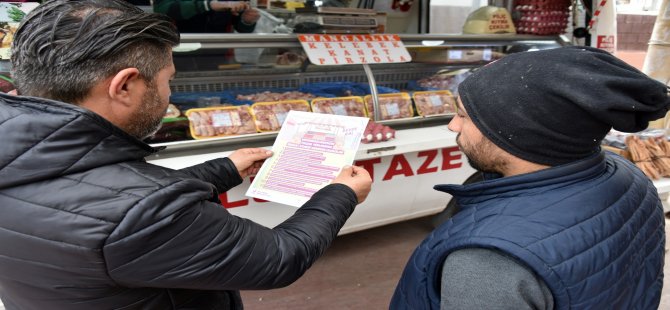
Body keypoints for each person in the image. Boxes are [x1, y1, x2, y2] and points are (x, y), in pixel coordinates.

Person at [0, 1, 371, 309]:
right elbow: (279, 258)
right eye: (167, 80)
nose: (169, 95)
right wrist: (339, 194)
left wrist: (223, 169)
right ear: (125, 86)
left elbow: (96, 197)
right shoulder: (142, 212)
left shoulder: (17, 157)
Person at [391, 46, 670, 309]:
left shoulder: (489, 259)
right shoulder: (632, 178)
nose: (452, 124)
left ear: (515, 133)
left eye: (464, 115)